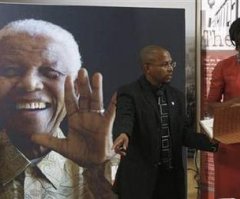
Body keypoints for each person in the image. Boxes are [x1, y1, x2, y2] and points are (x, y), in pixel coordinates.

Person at [0, 19, 116, 199]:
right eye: (10, 71)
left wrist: (97, 172)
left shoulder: (117, 171)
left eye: (51, 73)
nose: (30, 84)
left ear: (76, 88)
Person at [112, 45, 218, 199]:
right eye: (164, 64)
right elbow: (125, 117)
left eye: (171, 63)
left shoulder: (177, 96)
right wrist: (123, 133)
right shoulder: (129, 93)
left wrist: (214, 142)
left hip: (171, 181)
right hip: (140, 181)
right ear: (147, 68)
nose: (170, 68)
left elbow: (183, 134)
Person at [207, 18, 240, 199]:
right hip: (230, 144)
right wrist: (235, 103)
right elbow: (210, 107)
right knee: (228, 193)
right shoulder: (224, 67)